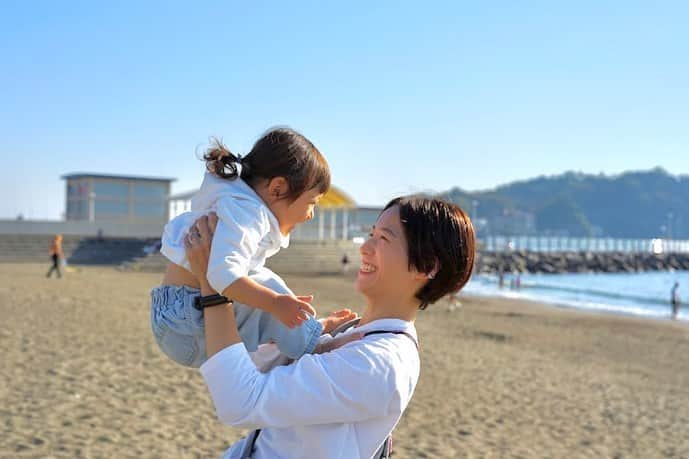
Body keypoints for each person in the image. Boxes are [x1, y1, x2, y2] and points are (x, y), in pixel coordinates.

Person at [187, 195, 476, 458]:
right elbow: (248, 369)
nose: (365, 247)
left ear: (428, 267)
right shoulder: (351, 334)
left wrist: (214, 288)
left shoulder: (382, 363)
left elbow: (240, 403)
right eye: (371, 234)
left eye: (384, 239)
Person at [151, 127, 331, 368]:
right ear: (277, 189)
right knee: (268, 288)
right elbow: (222, 275)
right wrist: (275, 303)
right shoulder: (248, 212)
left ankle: (305, 329)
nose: (310, 215)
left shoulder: (235, 203)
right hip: (188, 325)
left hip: (176, 317)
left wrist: (277, 302)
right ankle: (313, 340)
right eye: (311, 203)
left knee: (263, 284)